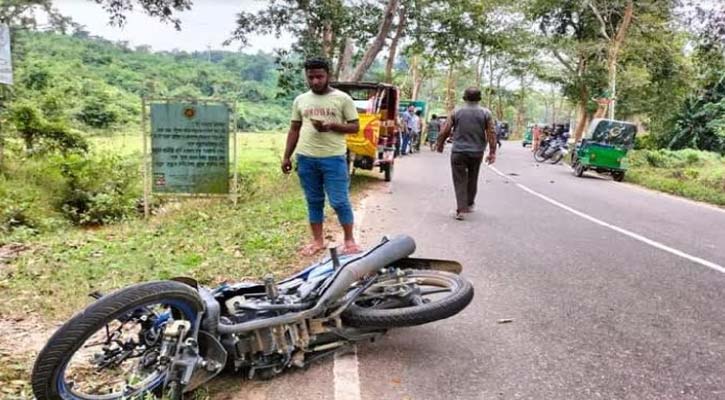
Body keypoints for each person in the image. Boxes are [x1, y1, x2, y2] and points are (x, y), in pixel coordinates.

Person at [281, 57, 361, 255]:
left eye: (319, 76)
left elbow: (355, 126)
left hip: (333, 158)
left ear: (328, 76)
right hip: (306, 158)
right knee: (314, 200)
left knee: (339, 201)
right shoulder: (300, 100)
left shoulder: (343, 99)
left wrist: (332, 125)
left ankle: (350, 241)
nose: (315, 81)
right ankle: (318, 241)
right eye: (311, 77)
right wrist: (286, 156)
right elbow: (294, 129)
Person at [436, 87, 496, 220]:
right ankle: (469, 204)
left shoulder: (456, 111)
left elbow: (445, 130)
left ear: (464, 98)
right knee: (473, 178)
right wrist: (492, 152)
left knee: (459, 180)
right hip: (477, 152)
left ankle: (461, 209)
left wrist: (440, 143)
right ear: (479, 98)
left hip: (458, 152)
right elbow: (491, 133)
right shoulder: (486, 113)